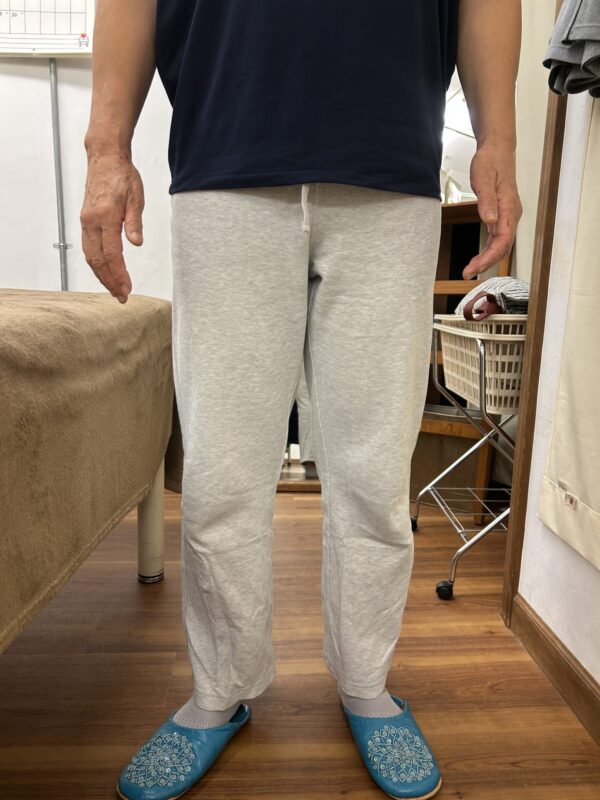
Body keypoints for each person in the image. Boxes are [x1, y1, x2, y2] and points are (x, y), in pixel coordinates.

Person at [80, 2, 523, 798]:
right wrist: (106, 148)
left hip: (391, 160)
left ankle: (366, 683)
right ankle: (220, 690)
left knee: (374, 471)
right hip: (227, 147)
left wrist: (500, 137)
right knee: (220, 468)